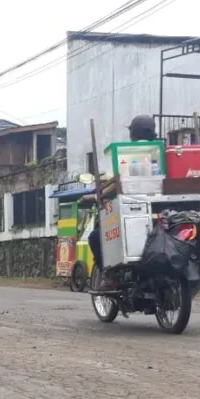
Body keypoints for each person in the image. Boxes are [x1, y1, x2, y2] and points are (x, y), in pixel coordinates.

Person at [86, 115, 160, 283]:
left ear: (132, 134)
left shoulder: (128, 154)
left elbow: (120, 183)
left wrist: (102, 193)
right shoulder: (160, 150)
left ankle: (109, 275)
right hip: (160, 210)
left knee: (95, 237)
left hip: (132, 210)